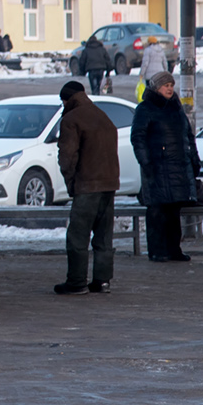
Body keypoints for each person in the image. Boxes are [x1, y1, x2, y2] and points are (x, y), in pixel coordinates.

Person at [53, 80, 121, 295]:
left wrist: (71, 182)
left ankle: (76, 281)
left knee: (78, 236)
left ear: (66, 100)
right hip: (109, 184)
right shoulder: (102, 115)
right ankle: (102, 281)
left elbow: (67, 156)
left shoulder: (71, 119)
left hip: (87, 185)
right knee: (103, 236)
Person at [130, 71, 201, 262]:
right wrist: (146, 162)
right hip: (157, 168)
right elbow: (138, 137)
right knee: (157, 211)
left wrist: (194, 160)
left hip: (177, 167)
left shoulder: (176, 109)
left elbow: (188, 137)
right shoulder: (145, 109)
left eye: (171, 84)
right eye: (165, 85)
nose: (170, 88)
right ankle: (157, 250)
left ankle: (174, 249)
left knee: (173, 211)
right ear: (156, 87)